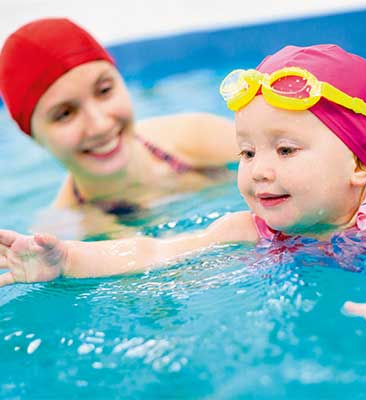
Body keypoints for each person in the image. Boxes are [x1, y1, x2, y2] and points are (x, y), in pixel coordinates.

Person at [1, 44, 366, 291]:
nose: (258, 170)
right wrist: (67, 261)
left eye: (285, 150)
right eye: (246, 153)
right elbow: (152, 251)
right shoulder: (247, 228)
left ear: (359, 165)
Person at [0, 18, 238, 237]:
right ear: (33, 136)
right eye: (65, 114)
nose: (100, 125)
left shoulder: (201, 136)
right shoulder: (61, 236)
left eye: (104, 90)